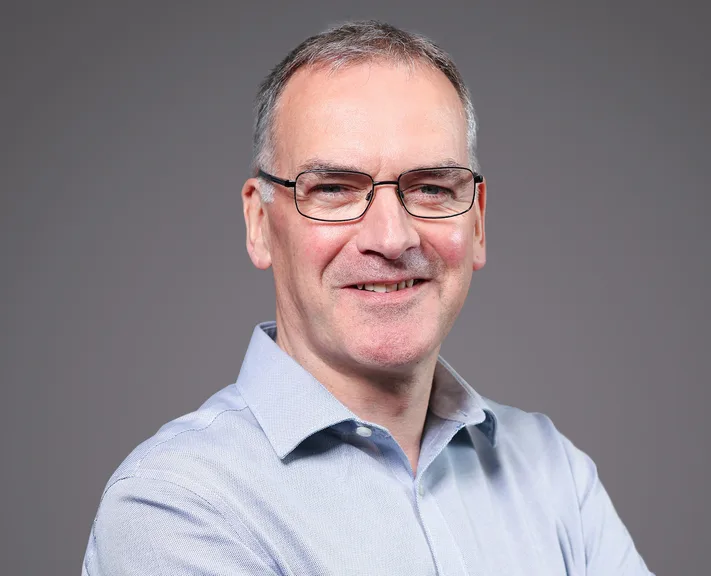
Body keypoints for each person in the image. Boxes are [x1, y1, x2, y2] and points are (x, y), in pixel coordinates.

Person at [82, 20, 654, 575]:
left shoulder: (550, 470)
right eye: (333, 189)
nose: (392, 237)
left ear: (477, 223)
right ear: (260, 222)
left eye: (431, 188)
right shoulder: (175, 502)